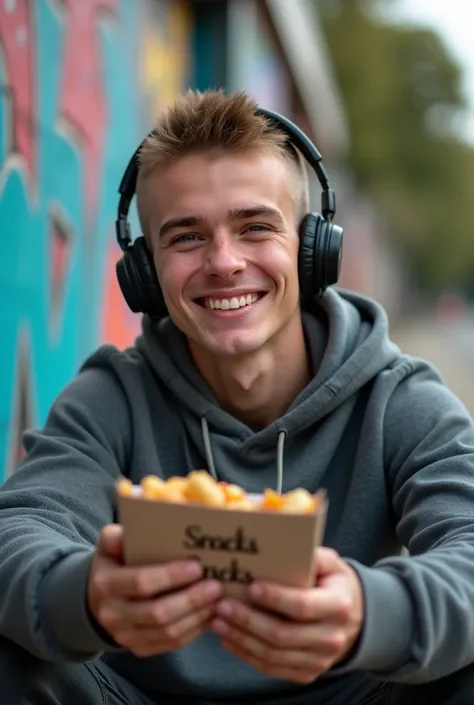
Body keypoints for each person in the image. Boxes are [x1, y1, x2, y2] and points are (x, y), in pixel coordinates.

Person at [1, 89, 474, 705]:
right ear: (145, 272)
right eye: (187, 237)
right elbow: (22, 527)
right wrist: (84, 596)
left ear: (313, 250)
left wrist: (367, 612)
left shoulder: (400, 397)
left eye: (255, 227)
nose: (223, 262)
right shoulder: (110, 397)